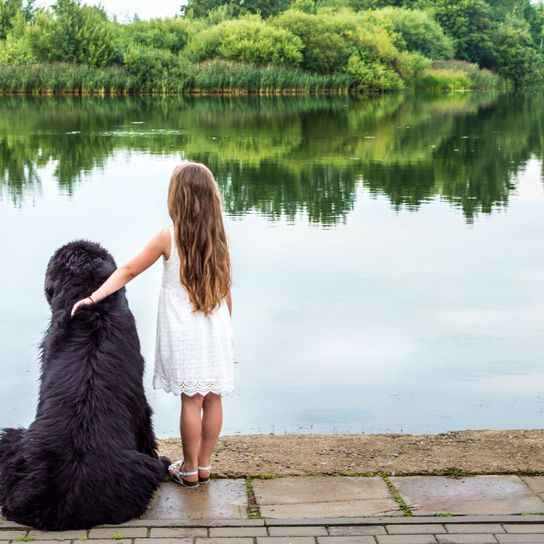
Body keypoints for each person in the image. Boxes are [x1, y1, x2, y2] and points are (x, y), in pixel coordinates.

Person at [71, 162, 234, 488]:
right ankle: (204, 465)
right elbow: (228, 287)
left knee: (191, 400)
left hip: (184, 332)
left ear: (178, 198)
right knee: (212, 397)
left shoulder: (168, 238)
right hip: (216, 327)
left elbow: (129, 270)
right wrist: (229, 328)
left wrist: (93, 297)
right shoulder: (219, 236)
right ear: (211, 197)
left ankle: (187, 470)